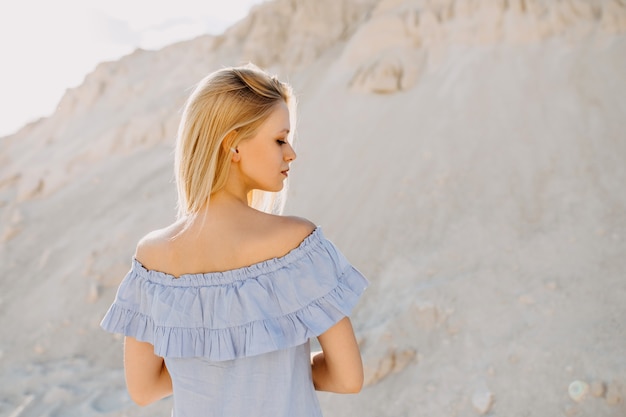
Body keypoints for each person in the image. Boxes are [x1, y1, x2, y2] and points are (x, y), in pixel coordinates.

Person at [100, 63, 369, 417]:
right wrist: (273, 371)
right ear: (233, 145)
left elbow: (144, 389)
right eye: (279, 139)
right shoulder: (297, 245)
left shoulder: (152, 259)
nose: (291, 153)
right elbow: (347, 378)